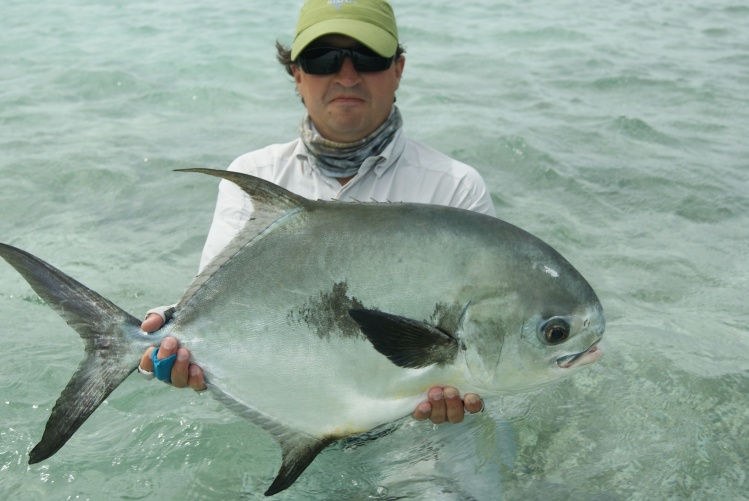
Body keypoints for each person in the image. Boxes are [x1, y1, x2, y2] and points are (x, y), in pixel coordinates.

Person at [137, 0, 494, 425]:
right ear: (297, 73)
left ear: (398, 68)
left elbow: (486, 344)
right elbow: (225, 308)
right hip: (289, 410)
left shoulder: (454, 187)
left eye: (368, 58)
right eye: (322, 59)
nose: (347, 75)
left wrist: (476, 388)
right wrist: (168, 334)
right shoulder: (252, 175)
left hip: (418, 430)